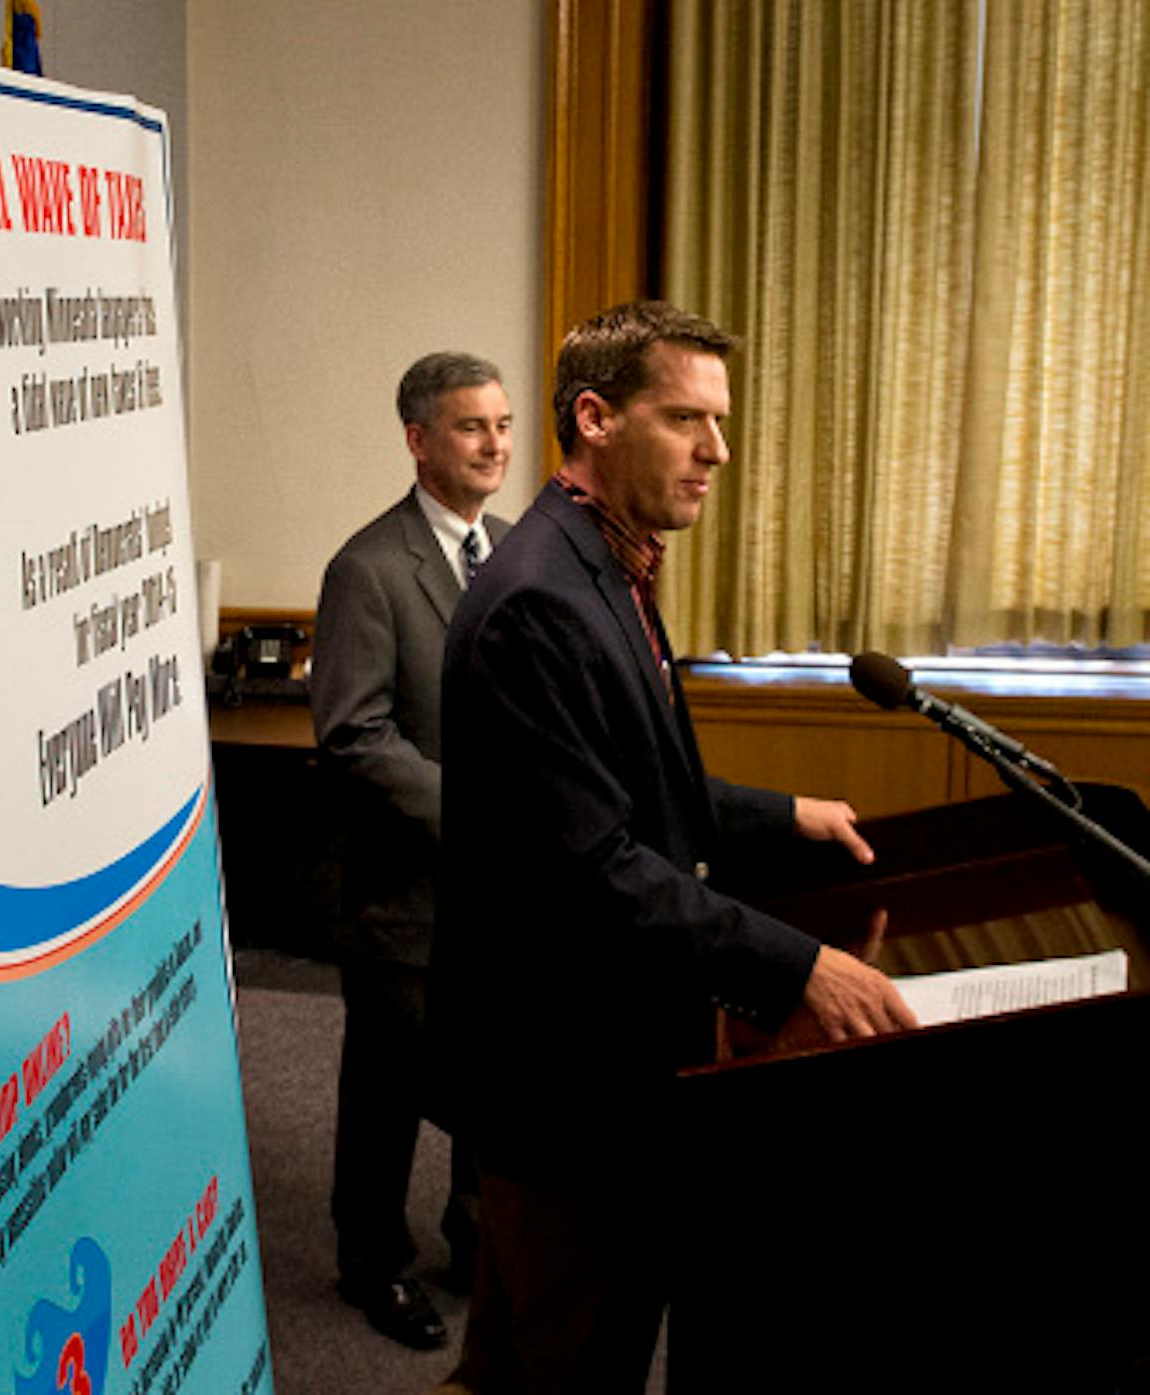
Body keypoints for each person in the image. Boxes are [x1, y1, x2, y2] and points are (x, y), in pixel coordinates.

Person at [431, 301, 918, 1394]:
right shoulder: (539, 602)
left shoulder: (601, 560)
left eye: (721, 421)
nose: (718, 451)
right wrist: (798, 966)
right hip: (563, 1078)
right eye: (688, 419)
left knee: (516, 1357)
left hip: (593, 1056)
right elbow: (594, 864)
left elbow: (633, 781)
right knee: (575, 1359)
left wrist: (784, 812)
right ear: (596, 418)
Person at [310, 351, 513, 1350]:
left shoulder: (514, 550)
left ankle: (477, 1239)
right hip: (406, 893)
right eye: (473, 427)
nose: (496, 446)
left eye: (505, 425)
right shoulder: (369, 567)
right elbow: (353, 732)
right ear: (419, 439)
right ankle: (370, 1264)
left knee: (494, 1073)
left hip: (508, 890)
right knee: (388, 1091)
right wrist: (474, 813)